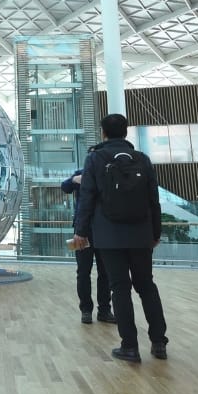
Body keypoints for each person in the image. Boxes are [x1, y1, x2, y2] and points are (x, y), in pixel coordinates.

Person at [72, 114, 168, 363]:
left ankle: (130, 347)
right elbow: (153, 201)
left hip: (109, 234)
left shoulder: (95, 158)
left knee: (120, 288)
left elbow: (87, 197)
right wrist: (155, 233)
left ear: (103, 132)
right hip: (141, 233)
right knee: (146, 285)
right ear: (125, 132)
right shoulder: (142, 159)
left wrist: (80, 231)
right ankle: (159, 343)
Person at [61, 167, 114, 325]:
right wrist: (73, 180)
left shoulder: (108, 173)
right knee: (83, 272)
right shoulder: (81, 173)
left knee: (105, 273)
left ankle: (104, 310)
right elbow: (65, 187)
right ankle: (86, 310)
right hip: (82, 231)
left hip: (104, 230)